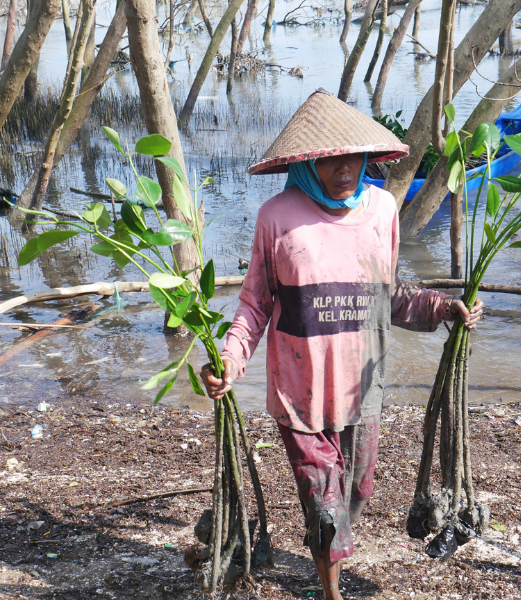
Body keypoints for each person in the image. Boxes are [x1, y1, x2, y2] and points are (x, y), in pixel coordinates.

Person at [202, 89, 483, 600]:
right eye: (331, 158)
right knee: (325, 507)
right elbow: (255, 305)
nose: (343, 168)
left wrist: (445, 308)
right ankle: (331, 592)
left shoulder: (381, 210)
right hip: (299, 394)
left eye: (352, 156)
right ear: (309, 160)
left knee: (357, 494)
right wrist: (229, 359)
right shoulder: (278, 217)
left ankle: (327, 557)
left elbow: (389, 293)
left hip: (363, 389)